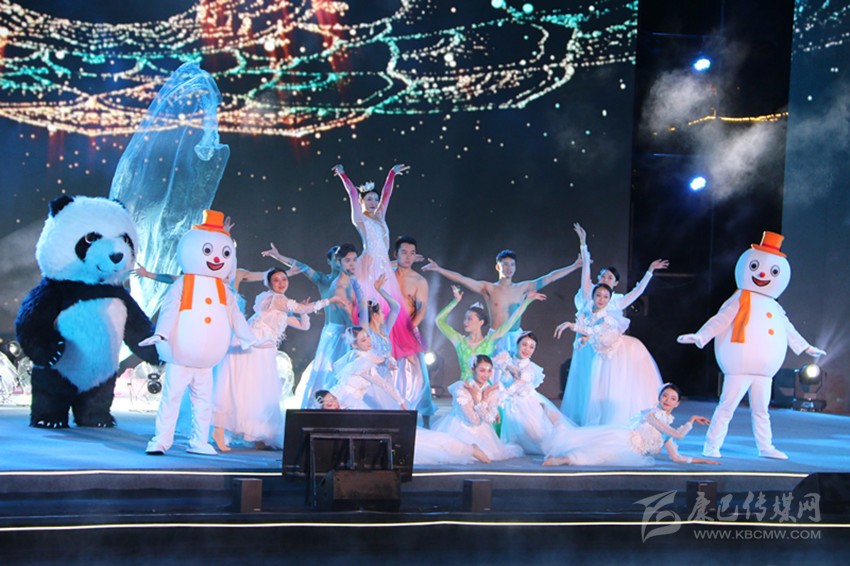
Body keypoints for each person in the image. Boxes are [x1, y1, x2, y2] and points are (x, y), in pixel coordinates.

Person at [211, 268, 345, 451]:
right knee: (242, 390)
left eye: (284, 279)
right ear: (269, 283)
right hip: (252, 347)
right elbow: (304, 308)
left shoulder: (280, 306)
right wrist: (330, 300)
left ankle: (257, 435)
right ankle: (220, 430)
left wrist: (302, 311)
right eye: (276, 280)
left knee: (258, 394)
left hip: (264, 351)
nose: (281, 283)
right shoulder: (273, 299)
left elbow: (304, 325)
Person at [557, 223, 668, 426]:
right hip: (585, 343)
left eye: (610, 277)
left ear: (615, 283)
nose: (605, 279)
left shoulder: (615, 300)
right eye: (603, 275)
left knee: (602, 382)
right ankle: (583, 418)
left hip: (605, 346)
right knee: (584, 380)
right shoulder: (589, 296)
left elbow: (637, 292)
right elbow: (585, 272)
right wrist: (583, 243)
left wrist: (650, 271)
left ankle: (603, 418)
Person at [332, 163, 420, 360]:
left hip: (384, 267)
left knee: (388, 311)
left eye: (375, 199)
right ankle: (364, 354)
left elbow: (387, 194)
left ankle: (385, 353)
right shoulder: (360, 218)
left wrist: (392, 174)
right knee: (369, 310)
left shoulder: (380, 216)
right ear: (362, 201)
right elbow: (352, 193)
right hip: (370, 266)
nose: (374, 202)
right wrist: (343, 175)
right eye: (369, 199)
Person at [422, 249, 581, 353]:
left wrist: (574, 266)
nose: (509, 268)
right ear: (498, 267)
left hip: (515, 337)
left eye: (512, 265)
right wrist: (439, 269)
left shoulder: (523, 287)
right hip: (496, 337)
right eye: (505, 265)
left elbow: (550, 277)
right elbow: (462, 279)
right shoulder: (489, 288)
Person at [543, 383, 720, 466]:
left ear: (677, 404)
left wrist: (703, 460)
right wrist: (691, 420)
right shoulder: (651, 415)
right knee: (586, 442)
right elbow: (678, 435)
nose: (667, 400)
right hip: (623, 438)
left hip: (631, 453)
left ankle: (563, 460)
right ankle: (558, 426)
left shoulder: (666, 429)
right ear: (659, 397)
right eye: (665, 396)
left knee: (599, 457)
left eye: (672, 398)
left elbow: (677, 457)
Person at [315, 390, 491, 465]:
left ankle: (470, 448)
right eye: (327, 403)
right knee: (426, 450)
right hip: (374, 449)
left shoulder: (352, 406)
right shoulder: (326, 423)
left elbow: (372, 421)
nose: (332, 403)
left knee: (429, 441)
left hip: (385, 435)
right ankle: (467, 449)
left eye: (332, 399)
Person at [293, 243, 360, 408]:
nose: (350, 263)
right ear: (334, 261)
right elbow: (304, 267)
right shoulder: (327, 281)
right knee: (332, 371)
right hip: (337, 332)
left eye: (353, 260)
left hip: (343, 330)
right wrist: (279, 256)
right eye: (343, 260)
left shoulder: (352, 281)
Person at [436, 285, 545, 382]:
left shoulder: (490, 341)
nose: (465, 322)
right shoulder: (459, 340)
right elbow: (438, 320)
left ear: (481, 322)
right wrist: (454, 302)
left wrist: (526, 302)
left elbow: (511, 321)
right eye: (465, 318)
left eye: (470, 319)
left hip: (485, 391)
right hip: (464, 390)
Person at [432, 354, 523, 462]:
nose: (486, 375)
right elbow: (474, 420)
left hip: (483, 432)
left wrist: (481, 399)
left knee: (491, 454)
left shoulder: (491, 391)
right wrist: (481, 401)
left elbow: (489, 419)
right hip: (459, 428)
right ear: (472, 370)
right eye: (482, 370)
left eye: (489, 371)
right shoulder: (461, 388)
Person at [493, 332, 565, 455]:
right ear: (517, 344)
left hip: (524, 405)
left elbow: (512, 389)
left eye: (531, 347)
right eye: (524, 344)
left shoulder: (529, 370)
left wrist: (497, 401)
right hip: (507, 403)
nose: (527, 349)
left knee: (539, 442)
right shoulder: (507, 357)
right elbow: (493, 362)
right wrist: (509, 366)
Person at [392, 235, 437, 424]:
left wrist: (408, 330)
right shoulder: (387, 275)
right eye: (404, 252)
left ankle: (425, 420)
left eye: (412, 253)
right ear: (395, 254)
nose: (408, 257)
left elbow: (422, 310)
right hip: (387, 329)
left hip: (409, 329)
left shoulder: (419, 281)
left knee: (418, 376)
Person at [329, 326, 407, 410]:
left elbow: (376, 359)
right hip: (346, 399)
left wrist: (386, 361)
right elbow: (383, 384)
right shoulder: (363, 364)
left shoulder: (357, 354)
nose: (368, 341)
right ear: (354, 345)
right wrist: (400, 401)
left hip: (350, 398)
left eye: (368, 336)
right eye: (363, 340)